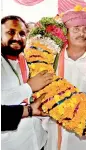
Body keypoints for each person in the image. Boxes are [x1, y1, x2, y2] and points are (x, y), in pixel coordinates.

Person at [45, 10, 86, 150]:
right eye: (76, 29)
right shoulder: (51, 60)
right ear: (66, 33)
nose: (81, 34)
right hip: (56, 129)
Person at [1, 15, 53, 150]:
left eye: (22, 33)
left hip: (38, 140)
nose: (17, 38)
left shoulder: (26, 60)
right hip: (11, 144)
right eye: (11, 32)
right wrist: (29, 87)